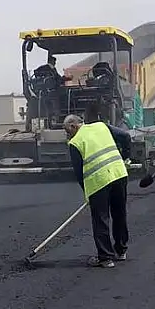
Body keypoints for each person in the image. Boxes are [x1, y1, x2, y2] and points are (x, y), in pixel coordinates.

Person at [64, 114, 132, 269]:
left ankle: (106, 258)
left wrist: (87, 192)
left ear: (74, 126)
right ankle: (121, 251)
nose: (66, 134)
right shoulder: (102, 126)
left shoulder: (74, 142)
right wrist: (125, 157)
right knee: (119, 214)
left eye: (67, 130)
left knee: (101, 219)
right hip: (119, 174)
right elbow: (126, 136)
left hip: (98, 182)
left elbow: (79, 173)